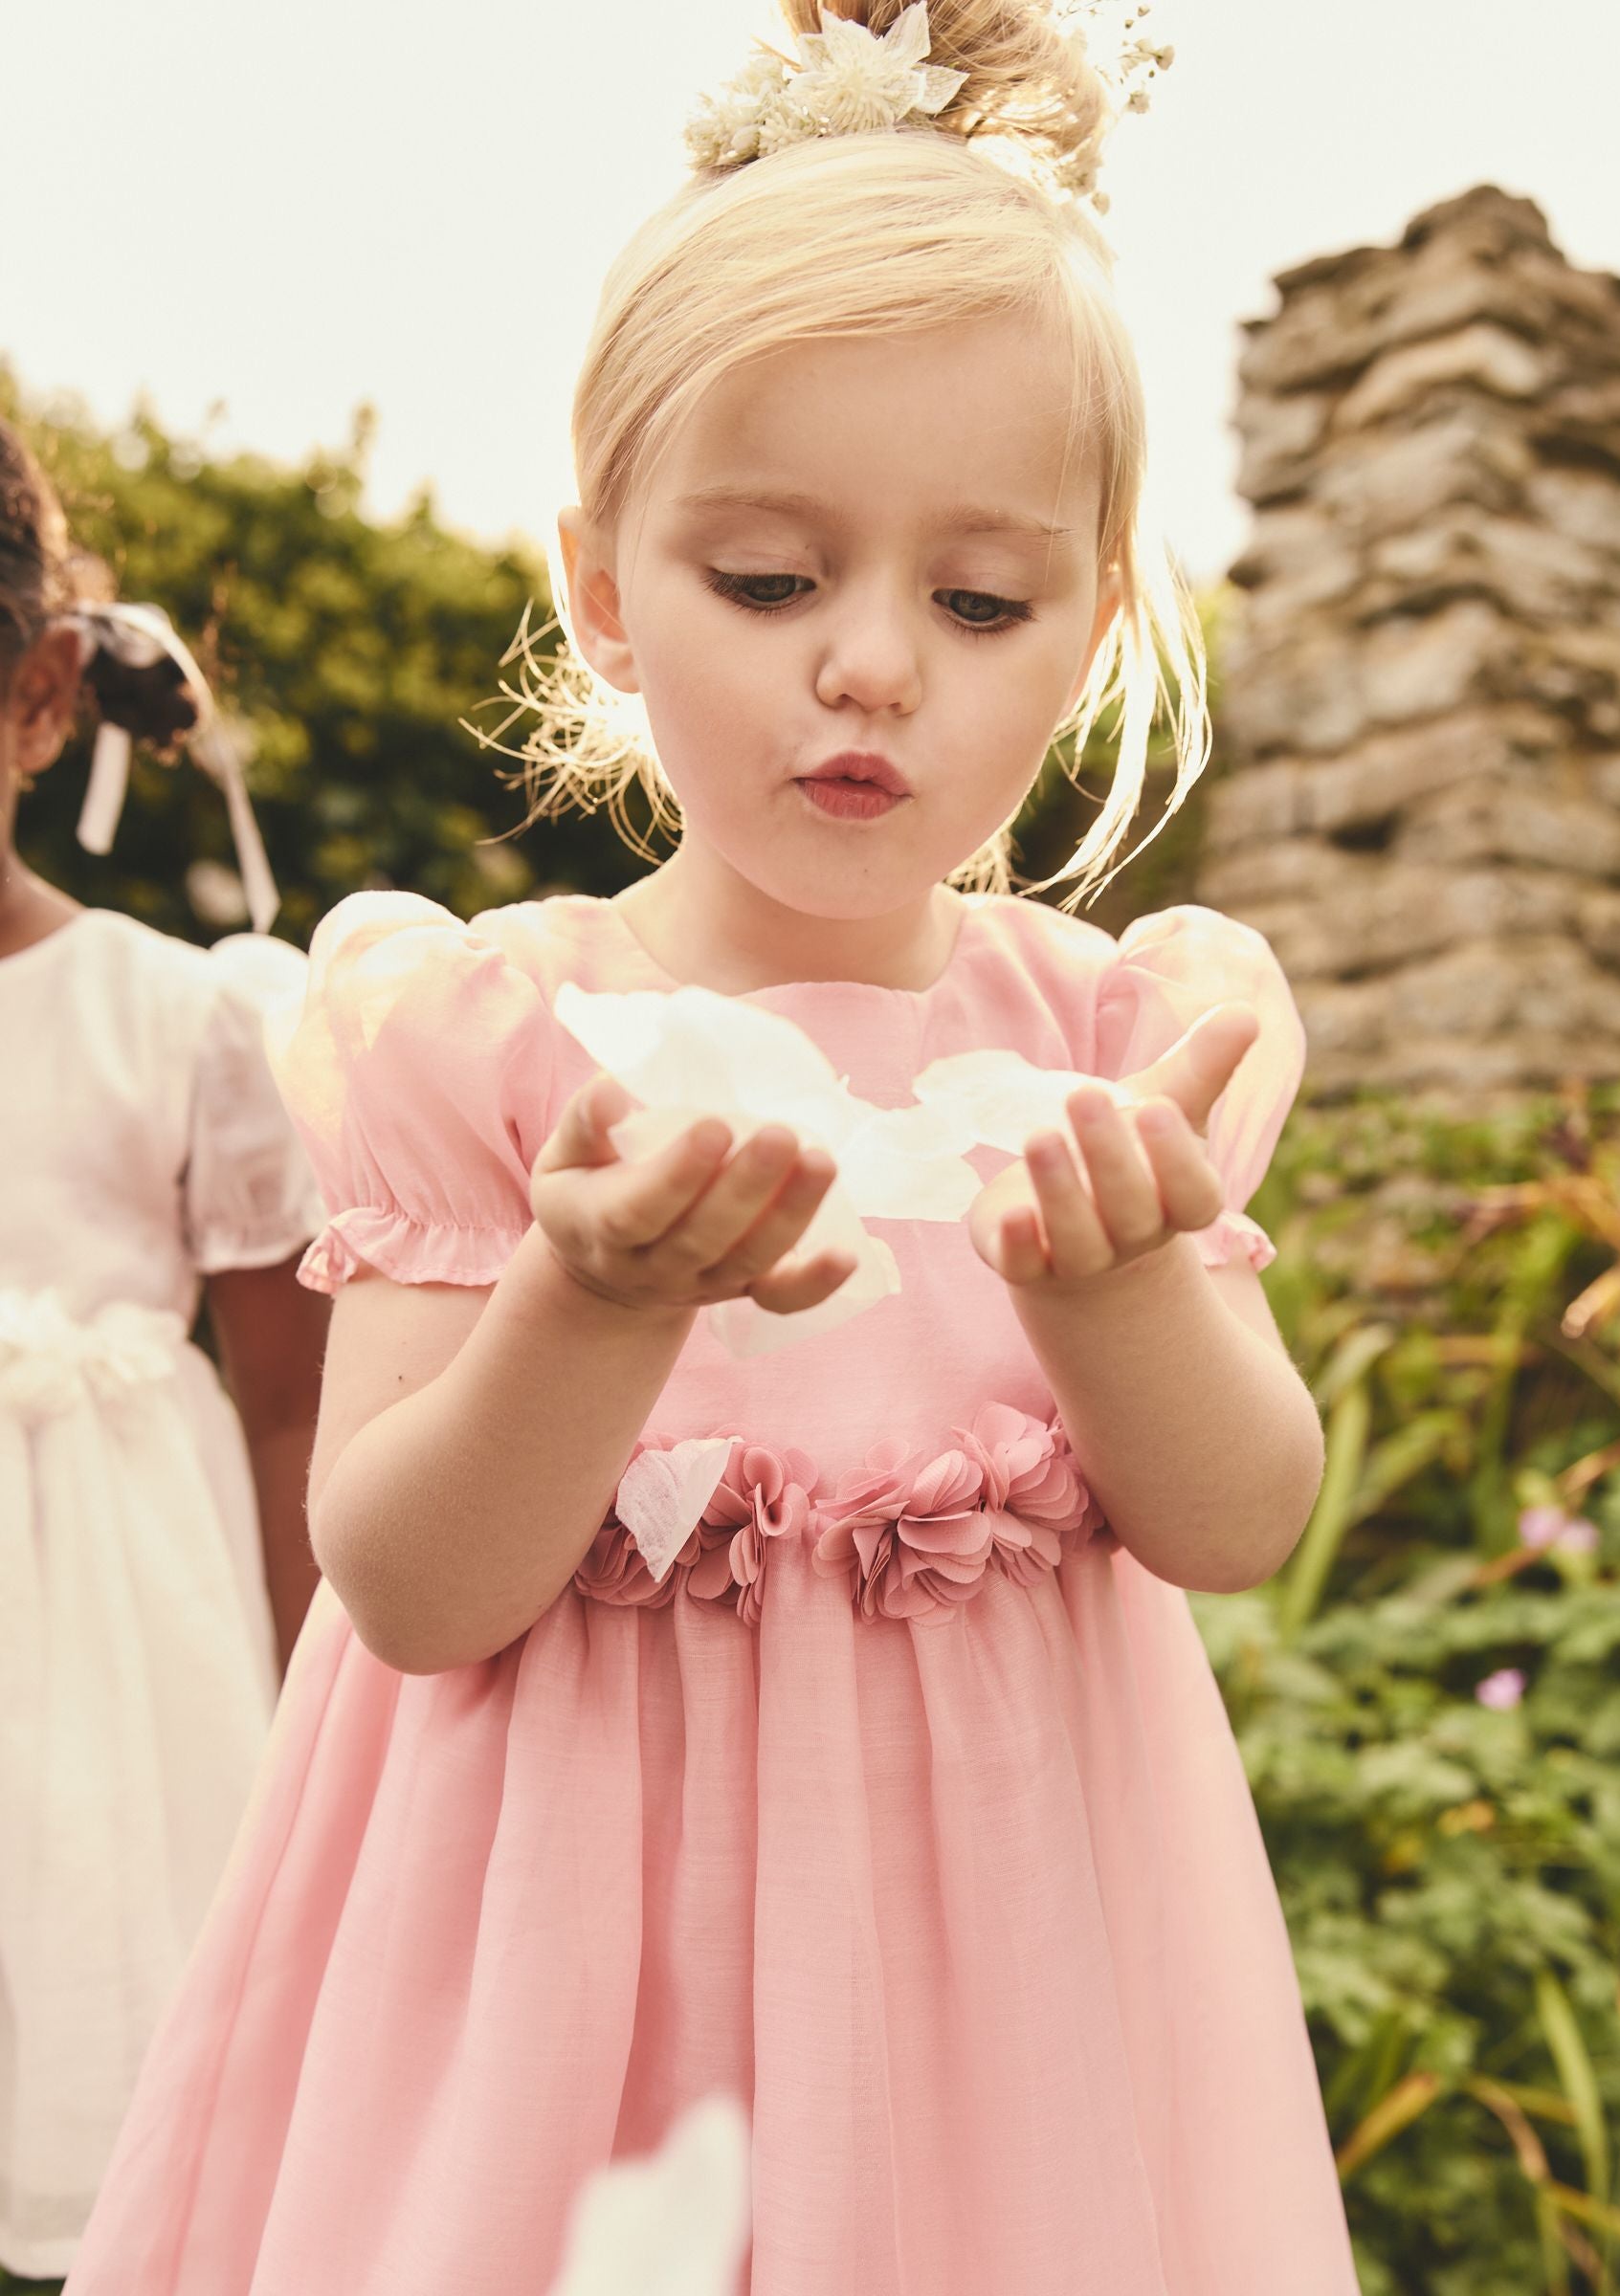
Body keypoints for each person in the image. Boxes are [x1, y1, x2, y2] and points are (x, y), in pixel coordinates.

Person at [68, 5, 1360, 2290]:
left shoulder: (1101, 1040)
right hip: (571, 2034)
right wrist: (589, 1304)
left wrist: (1113, 1290)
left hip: (1000, 2042)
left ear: (1090, 624)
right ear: (600, 576)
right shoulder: (490, 1035)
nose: (873, 666)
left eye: (981, 599)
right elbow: (405, 1582)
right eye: (769, 579)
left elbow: (1243, 1520)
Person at [0, 416, 328, 2284]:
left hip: (120, 1701)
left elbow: (294, 1415)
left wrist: (314, 1764)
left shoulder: (183, 1020)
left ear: (44, 697)